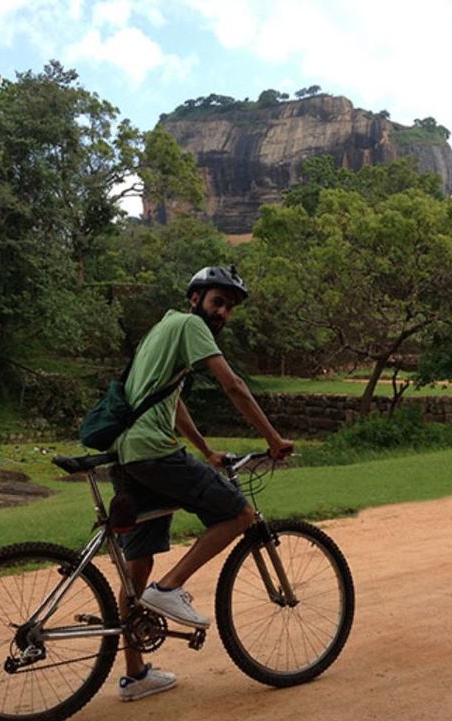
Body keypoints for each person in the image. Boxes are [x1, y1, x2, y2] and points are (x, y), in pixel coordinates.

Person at [111, 264, 295, 701]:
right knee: (240, 513)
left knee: (137, 564)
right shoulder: (193, 326)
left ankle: (135, 677)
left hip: (126, 452)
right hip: (153, 451)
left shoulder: (164, 328)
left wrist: (206, 451)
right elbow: (232, 386)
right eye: (218, 302)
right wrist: (272, 438)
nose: (223, 313)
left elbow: (170, 406)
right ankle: (169, 590)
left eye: (229, 307)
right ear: (196, 298)